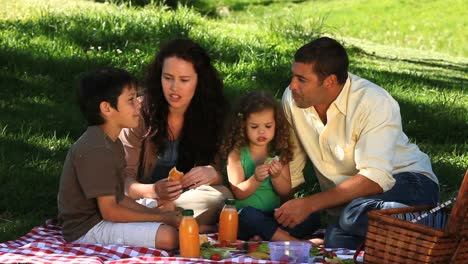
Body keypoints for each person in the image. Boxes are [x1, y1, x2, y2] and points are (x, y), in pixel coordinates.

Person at [276, 37, 440, 249]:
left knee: (351, 216)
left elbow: (375, 178)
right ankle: (417, 237)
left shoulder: (373, 102)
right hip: (355, 203)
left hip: (409, 182)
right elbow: (291, 167)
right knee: (336, 238)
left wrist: (309, 204)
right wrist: (287, 214)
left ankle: (440, 225)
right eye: (293, 76)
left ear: (330, 82)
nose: (292, 86)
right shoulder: (293, 100)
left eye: (301, 79)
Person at [57, 68, 180, 250]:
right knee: (169, 237)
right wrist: (162, 218)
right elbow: (111, 211)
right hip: (87, 229)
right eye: (131, 100)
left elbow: (120, 198)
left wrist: (157, 213)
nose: (139, 104)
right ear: (107, 108)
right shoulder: (96, 148)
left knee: (166, 205)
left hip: (106, 215)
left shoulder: (112, 142)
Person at [119, 38, 233, 228]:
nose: (174, 88)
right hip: (144, 198)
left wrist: (212, 173)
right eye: (168, 78)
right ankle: (166, 220)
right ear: (159, 77)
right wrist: (153, 190)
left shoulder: (210, 116)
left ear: (199, 81)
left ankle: (157, 220)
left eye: (184, 80)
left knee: (223, 197)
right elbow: (122, 180)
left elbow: (214, 178)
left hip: (183, 201)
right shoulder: (138, 114)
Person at [219, 91, 320, 241]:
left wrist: (277, 176)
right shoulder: (236, 154)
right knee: (248, 216)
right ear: (243, 126)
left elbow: (285, 191)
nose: (261, 131)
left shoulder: (279, 153)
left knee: (312, 217)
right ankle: (292, 242)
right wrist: (256, 179)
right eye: (254, 127)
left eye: (268, 126)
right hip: (246, 216)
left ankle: (266, 236)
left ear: (276, 125)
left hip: (273, 216)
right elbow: (238, 193)